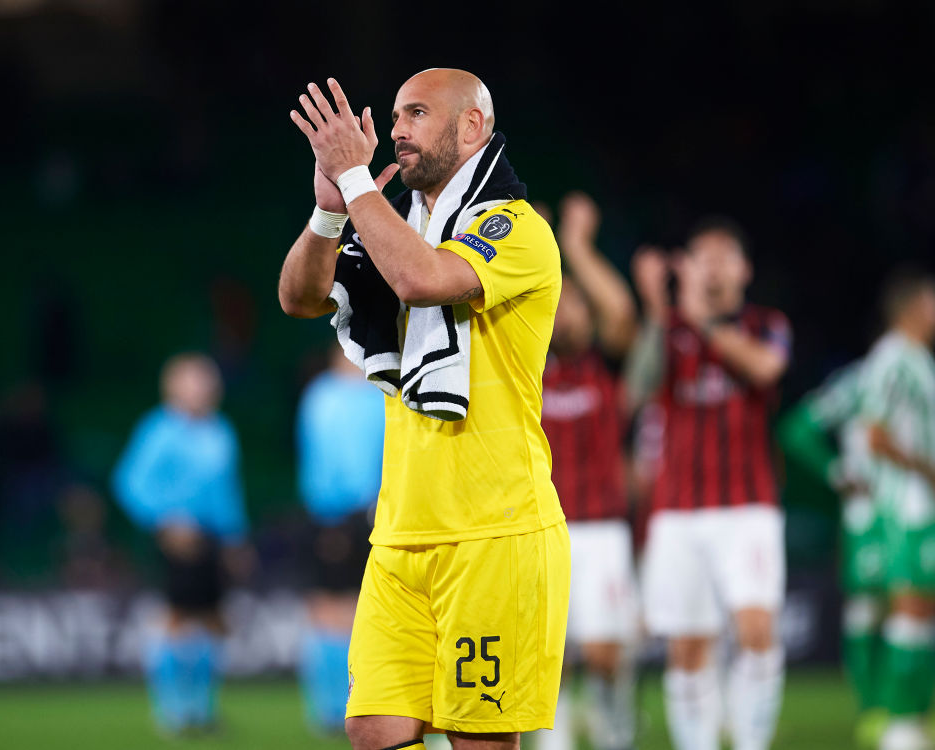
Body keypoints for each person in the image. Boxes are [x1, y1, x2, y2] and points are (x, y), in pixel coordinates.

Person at [280, 69, 569, 750]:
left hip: (495, 532)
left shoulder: (518, 229)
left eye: (418, 113)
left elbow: (424, 279)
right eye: (398, 114)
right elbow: (299, 297)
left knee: (479, 742)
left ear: (473, 127)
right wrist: (330, 209)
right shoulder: (397, 225)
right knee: (373, 729)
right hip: (402, 532)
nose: (398, 129)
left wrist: (356, 182)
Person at [626, 218, 791, 750]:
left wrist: (702, 320)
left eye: (724, 255)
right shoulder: (670, 331)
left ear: (744, 269)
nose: (713, 265)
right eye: (702, 256)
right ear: (687, 268)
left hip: (749, 509)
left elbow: (765, 370)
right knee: (688, 648)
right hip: (678, 511)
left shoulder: (767, 323)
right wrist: (658, 312)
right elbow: (637, 390)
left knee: (756, 632)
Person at [536, 192, 639, 750]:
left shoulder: (605, 364)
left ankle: (611, 717)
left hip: (601, 523)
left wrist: (574, 246)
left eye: (575, 303)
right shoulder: (524, 363)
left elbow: (621, 312)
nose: (567, 312)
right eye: (559, 303)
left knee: (602, 650)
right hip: (539, 524)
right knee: (547, 649)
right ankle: (557, 733)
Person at [112, 353, 252, 735]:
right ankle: (171, 711)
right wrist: (165, 520)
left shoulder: (220, 430)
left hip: (212, 539)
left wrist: (236, 538)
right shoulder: (158, 430)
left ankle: (203, 710)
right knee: (174, 619)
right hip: (174, 540)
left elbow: (229, 491)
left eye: (207, 381)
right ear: (172, 387)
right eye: (193, 381)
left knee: (213, 621)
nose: (203, 389)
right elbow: (129, 483)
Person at [777, 361, 887, 745]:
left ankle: (907, 707)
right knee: (869, 608)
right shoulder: (862, 379)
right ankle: (873, 710)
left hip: (919, 507)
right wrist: (837, 471)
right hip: (871, 514)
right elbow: (797, 429)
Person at [855, 269, 935, 750]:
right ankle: (898, 727)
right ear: (913, 305)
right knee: (908, 608)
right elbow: (875, 433)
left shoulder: (919, 359)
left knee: (920, 610)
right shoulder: (890, 358)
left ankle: (910, 720)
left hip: (921, 503)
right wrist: (925, 470)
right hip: (903, 504)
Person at [295, 344, 385, 733]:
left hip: (363, 513)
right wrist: (329, 514)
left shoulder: (370, 394)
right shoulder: (328, 396)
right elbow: (324, 458)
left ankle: (347, 702)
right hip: (339, 514)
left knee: (351, 609)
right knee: (334, 609)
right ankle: (332, 705)